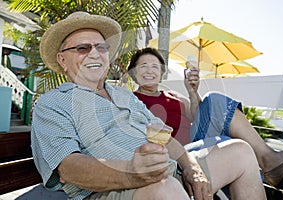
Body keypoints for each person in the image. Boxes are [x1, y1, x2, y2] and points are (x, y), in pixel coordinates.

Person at [31, 11, 267, 200]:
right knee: (165, 189)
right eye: (83, 48)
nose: (95, 54)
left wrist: (190, 167)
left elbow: (164, 136)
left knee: (241, 152)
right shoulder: (53, 103)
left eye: (101, 47)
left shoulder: (126, 96)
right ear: (62, 59)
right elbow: (68, 168)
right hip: (114, 189)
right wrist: (132, 173)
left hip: (168, 172)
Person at [127, 47, 283, 189]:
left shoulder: (172, 95)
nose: (150, 70)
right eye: (143, 66)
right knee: (226, 137)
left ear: (161, 73)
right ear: (133, 73)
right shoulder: (130, 100)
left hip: (197, 140)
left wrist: (192, 92)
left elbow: (197, 116)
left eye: (155, 66)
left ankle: (268, 159)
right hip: (177, 154)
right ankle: (268, 160)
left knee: (212, 101)